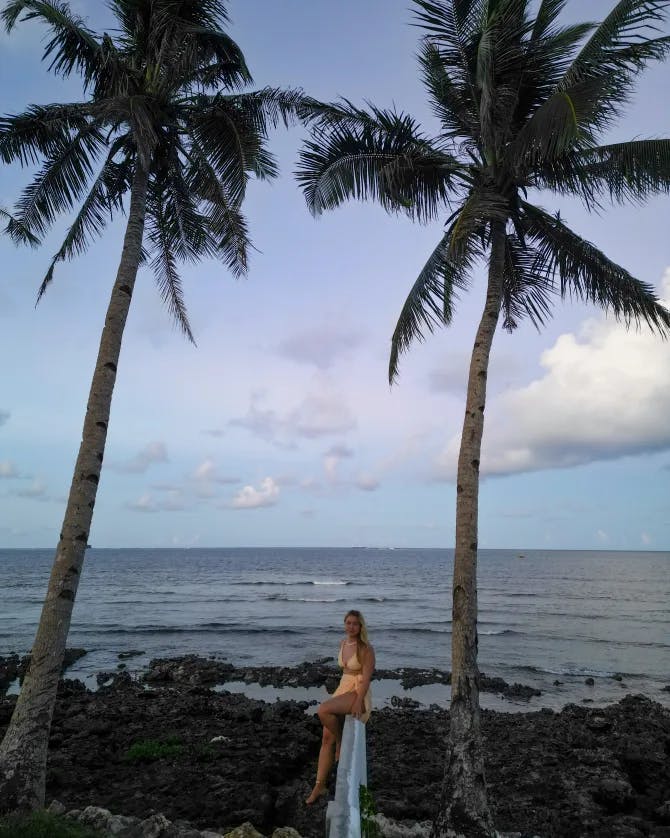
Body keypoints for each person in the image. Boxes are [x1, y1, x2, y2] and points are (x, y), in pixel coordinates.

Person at [305, 609, 375, 805]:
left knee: (323, 710)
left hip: (358, 690)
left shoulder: (366, 648)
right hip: (343, 687)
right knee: (326, 738)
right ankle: (320, 785)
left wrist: (359, 700)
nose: (350, 626)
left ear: (360, 626)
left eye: (354, 623)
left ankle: (341, 742)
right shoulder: (343, 643)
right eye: (348, 623)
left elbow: (367, 677)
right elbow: (345, 671)